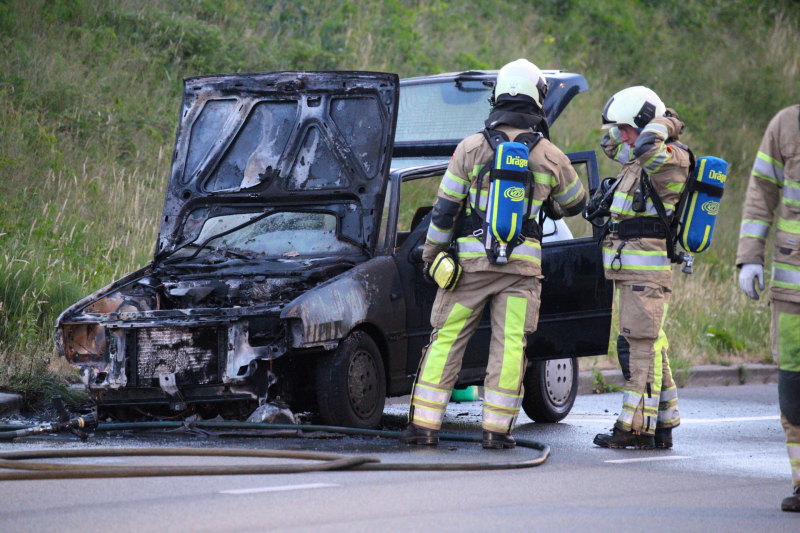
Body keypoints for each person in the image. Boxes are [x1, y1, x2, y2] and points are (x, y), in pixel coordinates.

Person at [399, 59, 587, 448]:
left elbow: (445, 209)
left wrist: (432, 253)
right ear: (537, 97)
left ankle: (423, 426)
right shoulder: (549, 155)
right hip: (521, 271)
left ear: (497, 96)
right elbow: (575, 203)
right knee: (509, 347)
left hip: (468, 268)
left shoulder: (469, 148)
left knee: (447, 339)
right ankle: (496, 431)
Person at [592, 86, 689, 450]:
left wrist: (665, 122)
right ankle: (663, 423)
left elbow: (646, 143)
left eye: (628, 129)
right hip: (632, 272)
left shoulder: (668, 159)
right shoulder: (640, 158)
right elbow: (610, 145)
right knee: (647, 344)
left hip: (646, 274)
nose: (624, 137)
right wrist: (626, 125)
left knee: (638, 348)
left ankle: (633, 427)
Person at [737, 103, 800, 512]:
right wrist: (750, 257)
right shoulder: (786, 124)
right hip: (793, 291)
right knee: (794, 391)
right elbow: (761, 192)